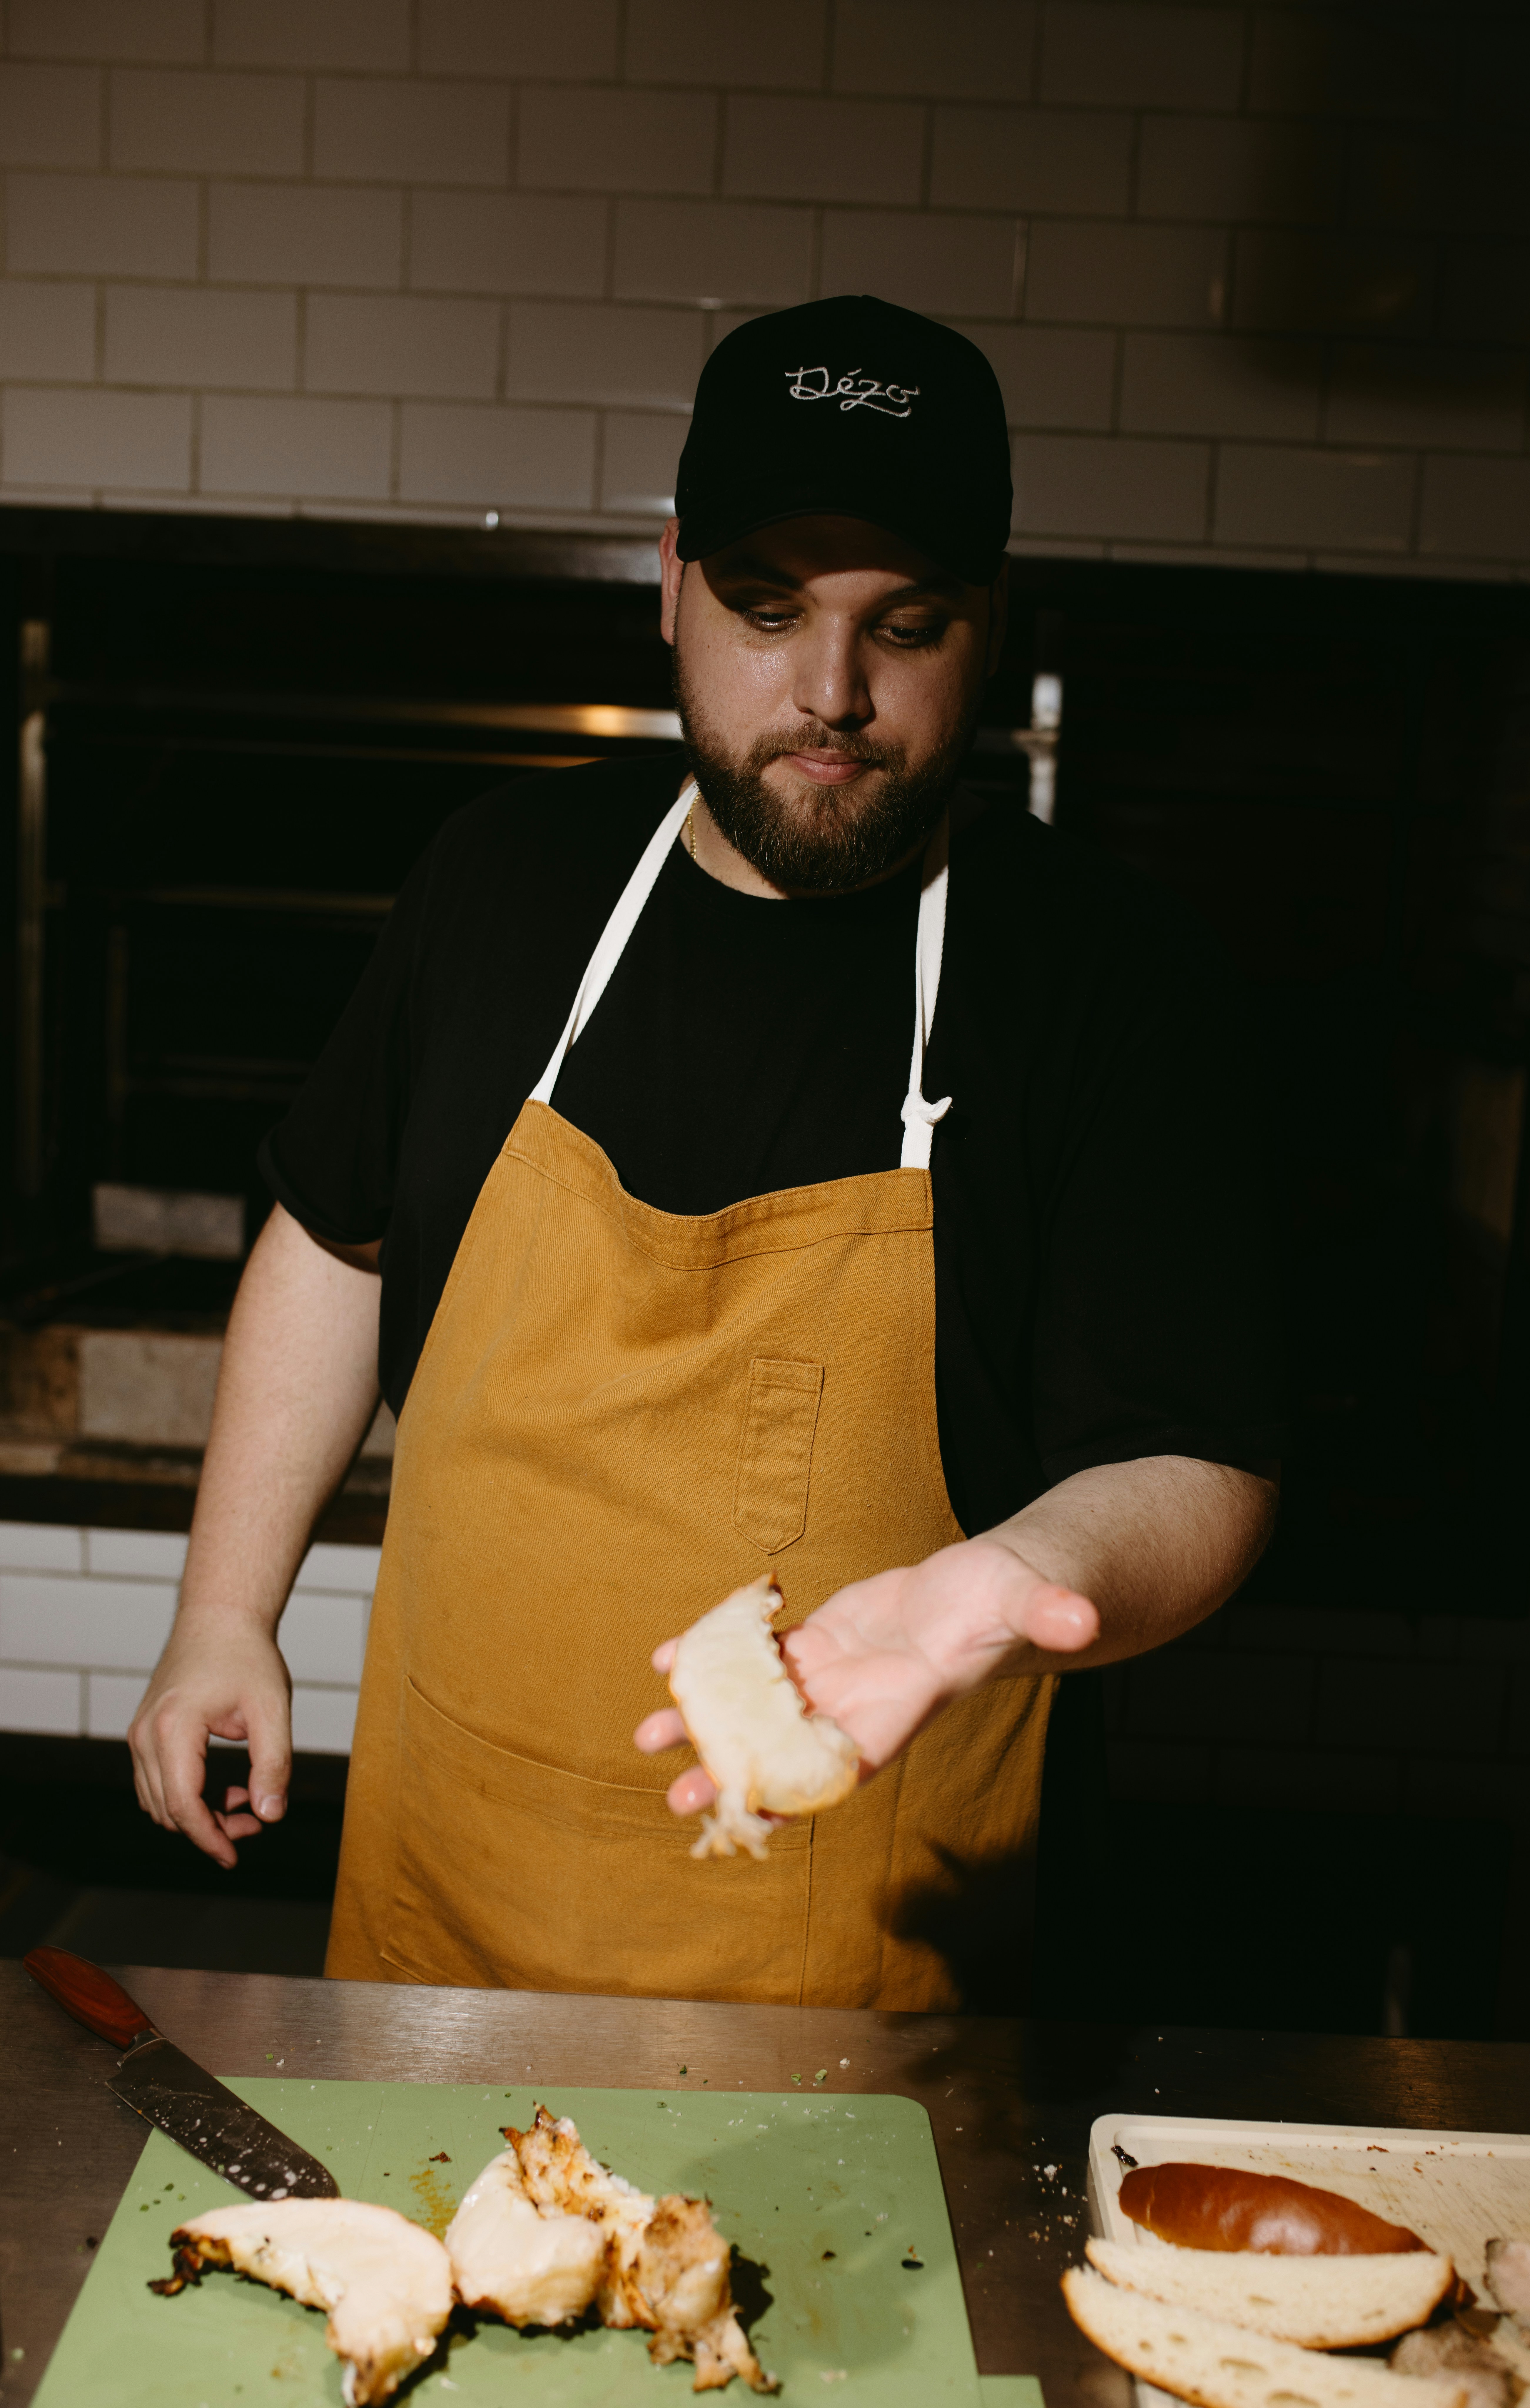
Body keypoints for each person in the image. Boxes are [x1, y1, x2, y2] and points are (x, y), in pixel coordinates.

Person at [129, 295, 1280, 2011]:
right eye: (764, 610)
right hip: (449, 1909)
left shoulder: (1100, 972)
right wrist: (225, 1608)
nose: (831, 696)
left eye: (907, 624)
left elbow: (1204, 1465)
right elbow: (333, 1233)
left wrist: (1011, 1588)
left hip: (856, 1965)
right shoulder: (501, 880)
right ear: (666, 580)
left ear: (993, 620)